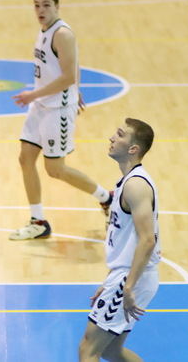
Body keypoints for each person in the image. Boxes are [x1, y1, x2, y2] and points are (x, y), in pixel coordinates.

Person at [10, 0, 112, 240]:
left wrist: (34, 95)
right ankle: (39, 220)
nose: (41, 10)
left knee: (55, 170)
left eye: (46, 4)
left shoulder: (63, 34)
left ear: (57, 6)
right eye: (37, 5)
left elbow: (67, 75)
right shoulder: (44, 30)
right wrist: (76, 89)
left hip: (57, 110)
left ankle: (106, 198)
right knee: (25, 159)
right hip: (42, 106)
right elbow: (70, 68)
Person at [79, 118, 159, 361]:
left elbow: (147, 241)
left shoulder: (136, 186)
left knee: (88, 350)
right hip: (126, 274)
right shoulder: (128, 181)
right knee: (111, 350)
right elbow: (129, 241)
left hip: (132, 277)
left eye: (120, 135)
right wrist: (113, 279)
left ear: (133, 148)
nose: (112, 138)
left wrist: (126, 286)